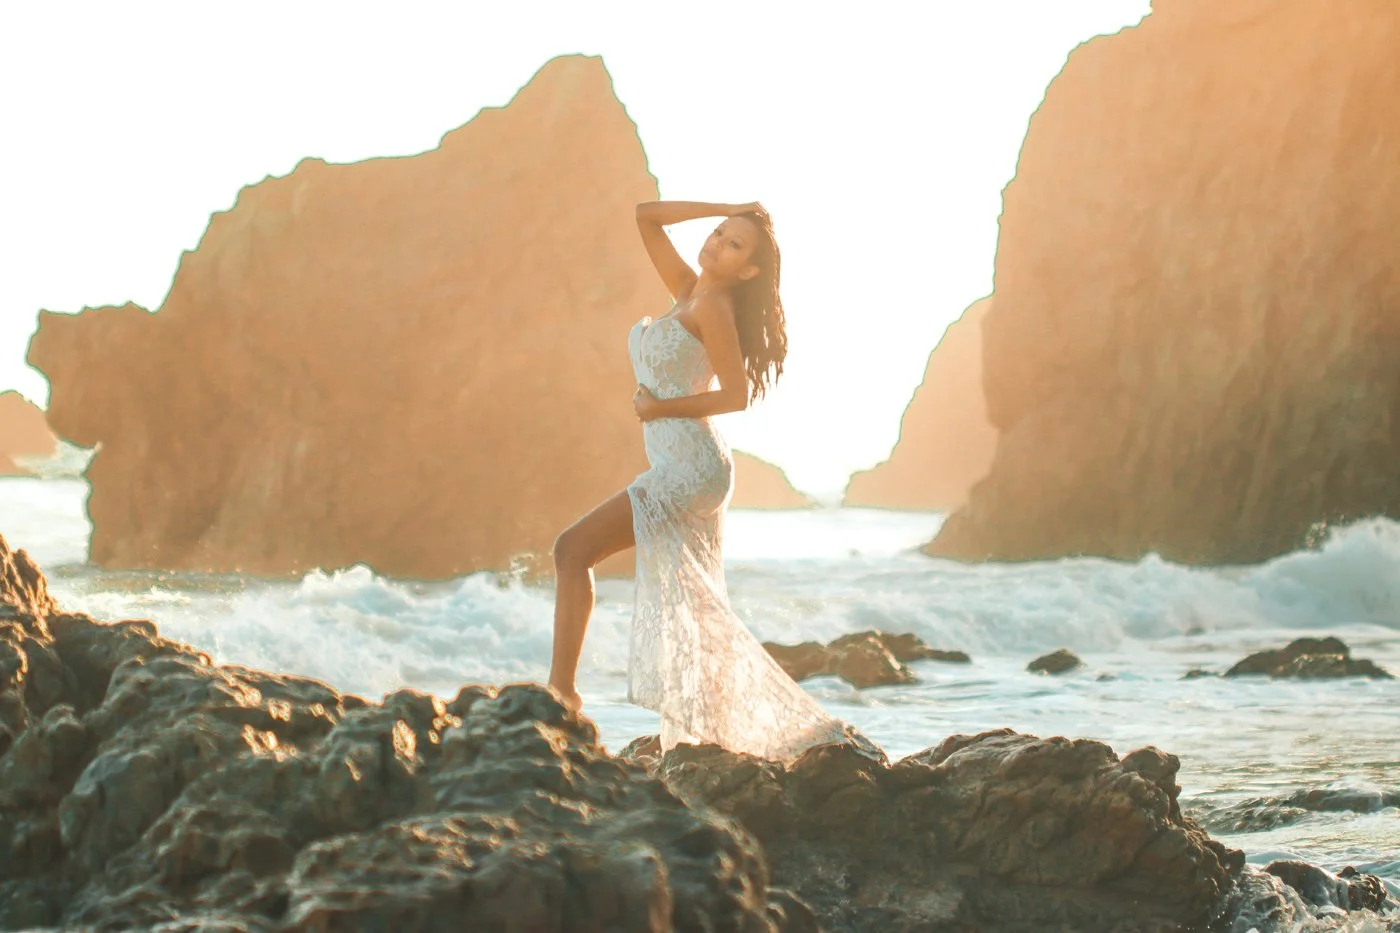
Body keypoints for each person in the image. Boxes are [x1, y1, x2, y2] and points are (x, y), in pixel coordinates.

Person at [547, 199, 856, 761]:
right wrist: (730, 207)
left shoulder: (713, 305)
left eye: (734, 244)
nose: (717, 243)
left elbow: (736, 397)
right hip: (684, 463)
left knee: (573, 549)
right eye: (718, 234)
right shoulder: (687, 289)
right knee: (694, 605)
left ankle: (562, 694)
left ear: (749, 271)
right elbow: (644, 214)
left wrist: (658, 410)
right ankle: (716, 729)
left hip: (692, 467)